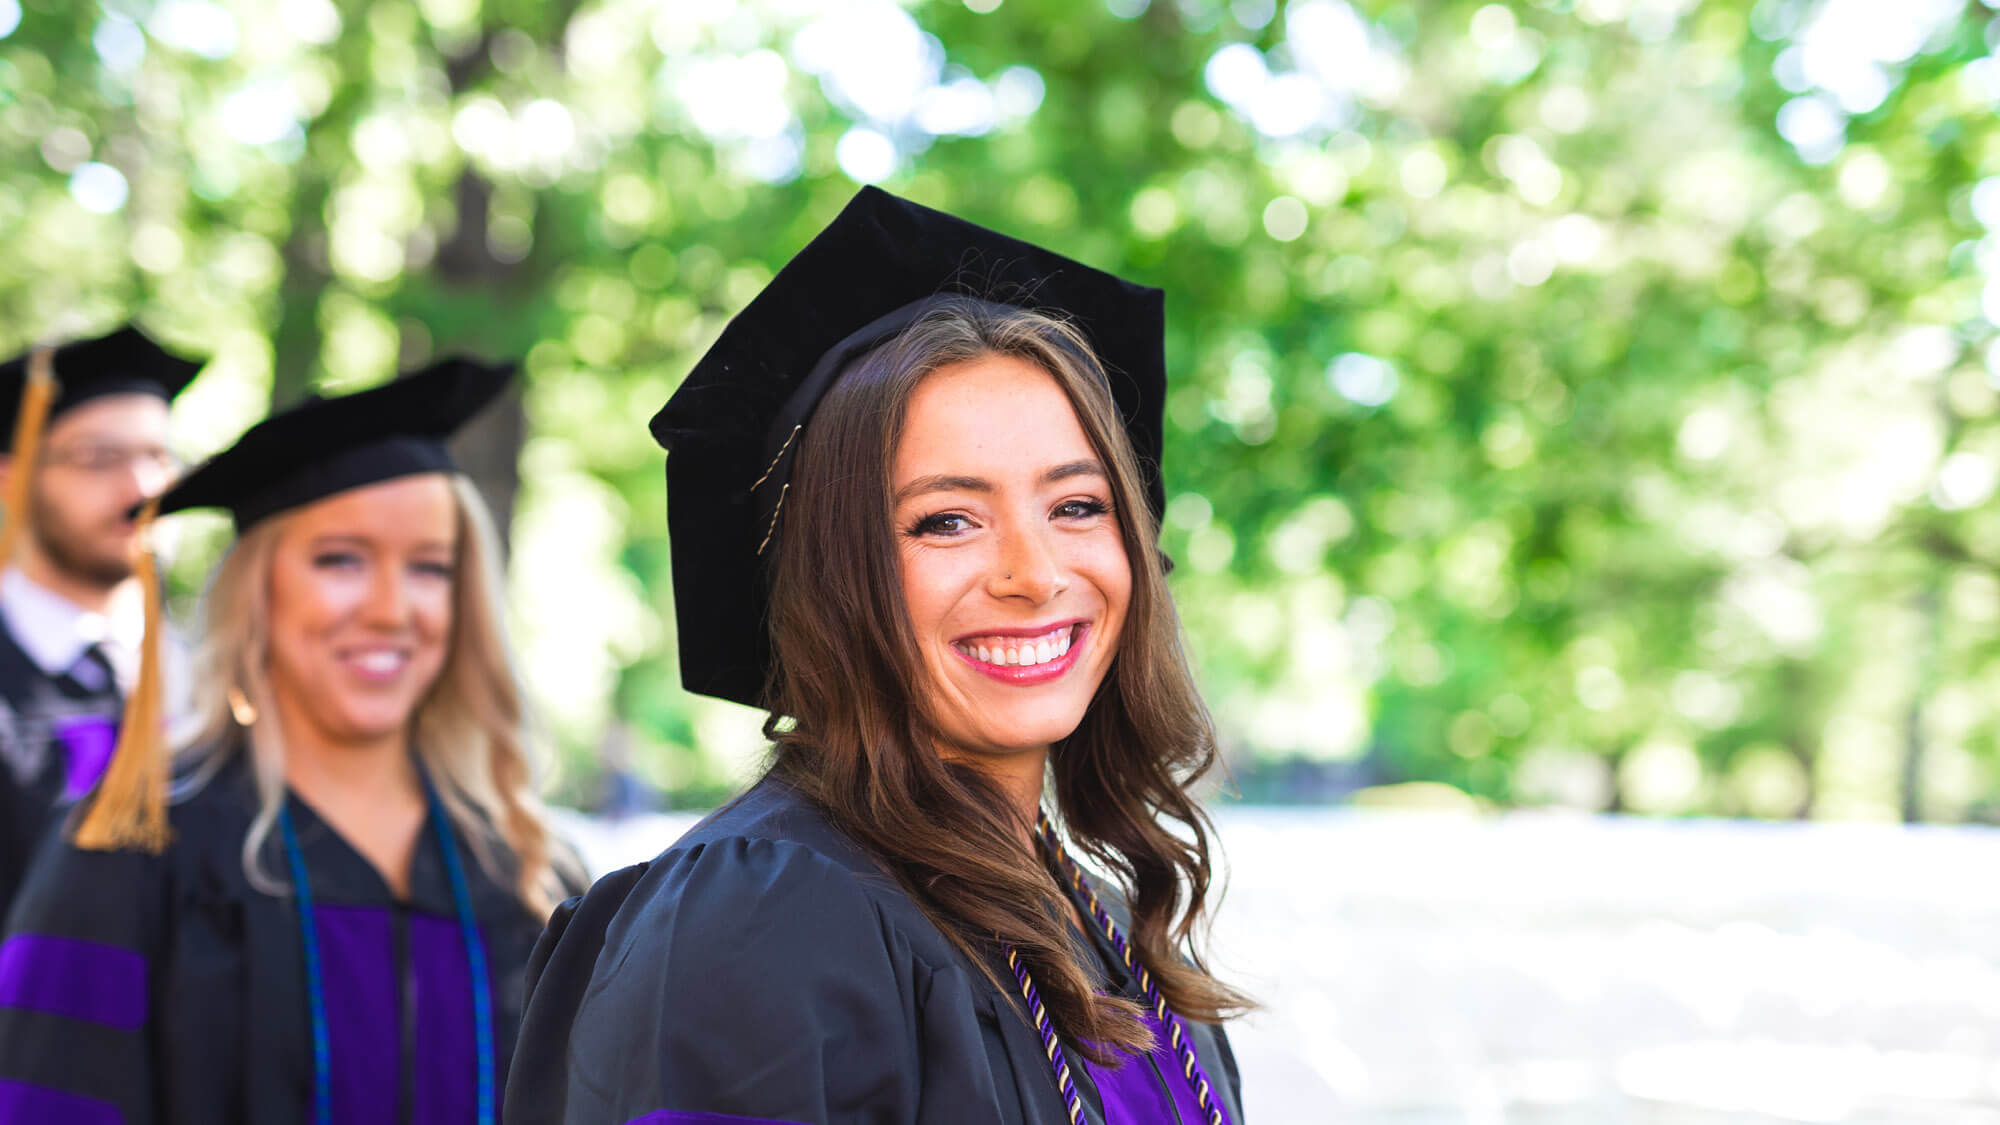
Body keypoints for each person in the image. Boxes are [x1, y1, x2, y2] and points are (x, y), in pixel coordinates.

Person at [508, 187, 1250, 1125]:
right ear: (834, 571)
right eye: (946, 520)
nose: (1034, 572)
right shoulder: (766, 915)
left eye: (1076, 505)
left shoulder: (1096, 913)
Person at [0, 357, 580, 1125]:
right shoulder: (133, 850)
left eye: (431, 568)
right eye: (339, 559)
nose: (389, 609)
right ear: (258, 589)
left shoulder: (531, 871)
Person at [0, 324, 204, 920]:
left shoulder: (213, 679)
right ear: (11, 482)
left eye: (158, 457)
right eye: (99, 459)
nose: (142, 489)